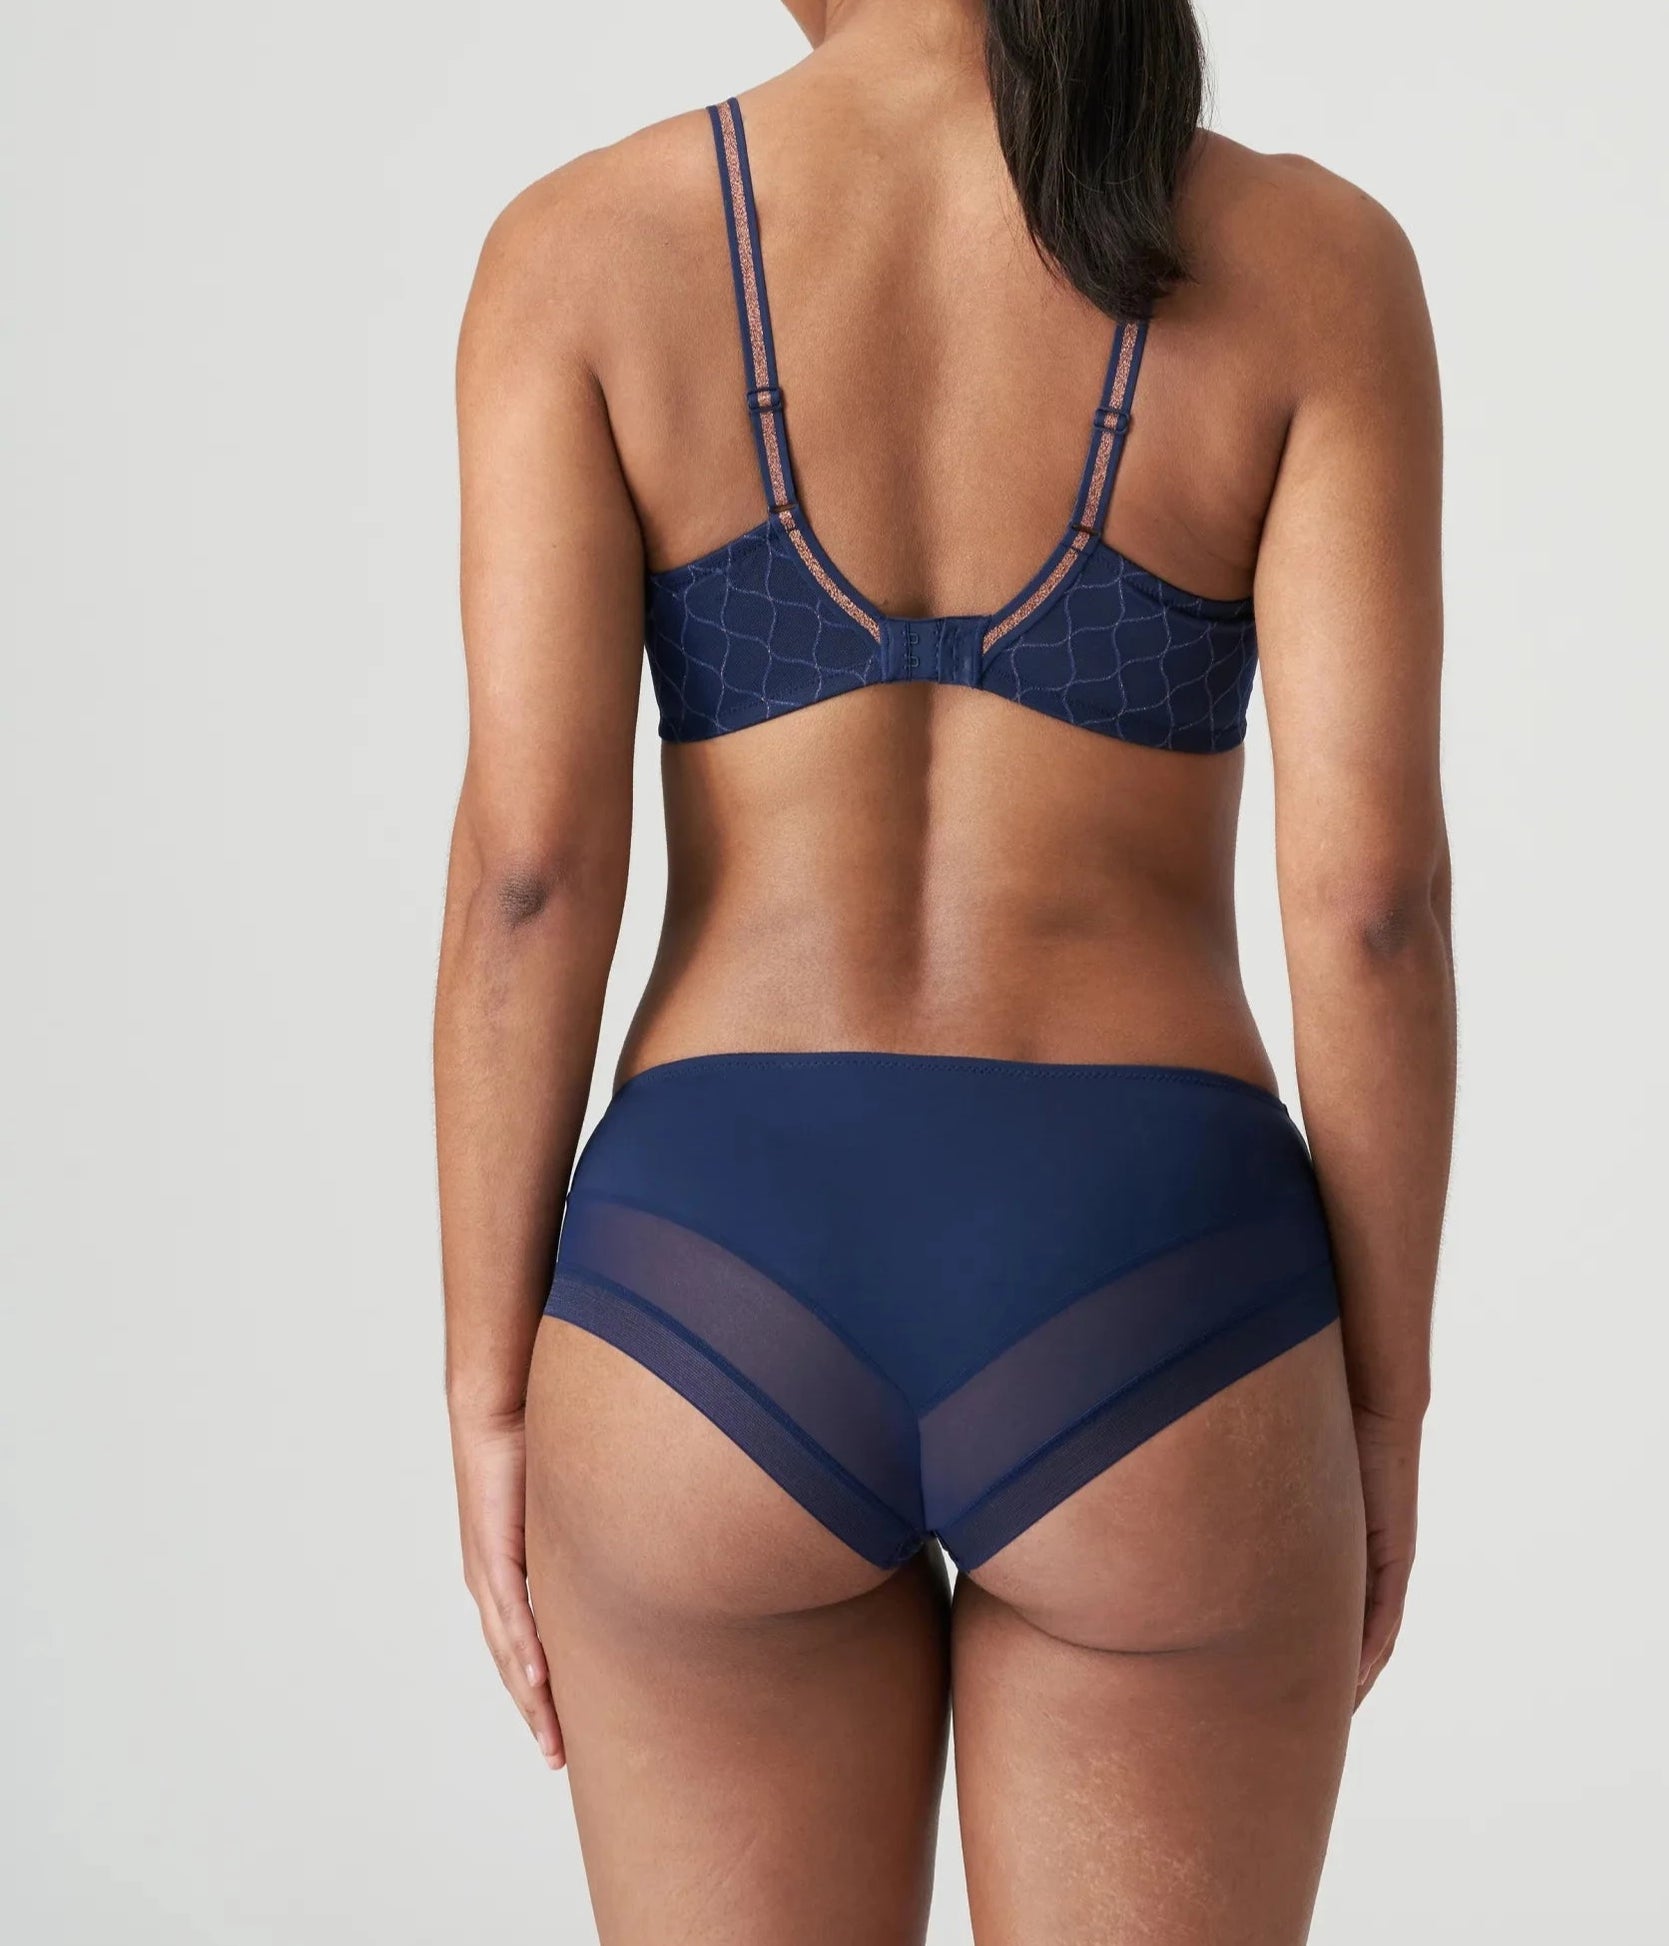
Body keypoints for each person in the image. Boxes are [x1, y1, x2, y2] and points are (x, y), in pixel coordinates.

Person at [434, 0, 1453, 1937]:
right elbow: (1373, 904)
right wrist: (1382, 1403)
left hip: (704, 1291)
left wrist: (491, 1389)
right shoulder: (1314, 266)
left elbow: (529, 878)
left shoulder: (581, 253)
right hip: (1159, 1286)